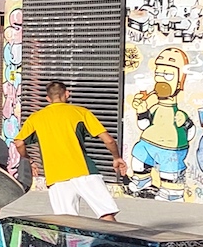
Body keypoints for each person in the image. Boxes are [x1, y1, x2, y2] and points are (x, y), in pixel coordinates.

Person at [12, 80, 125, 220]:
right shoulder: (81, 112)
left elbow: (19, 143)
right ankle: (113, 242)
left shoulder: (35, 118)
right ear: (67, 94)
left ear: (48, 98)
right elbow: (109, 140)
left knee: (67, 222)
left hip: (56, 176)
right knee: (106, 214)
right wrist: (116, 157)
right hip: (84, 171)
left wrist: (29, 159)